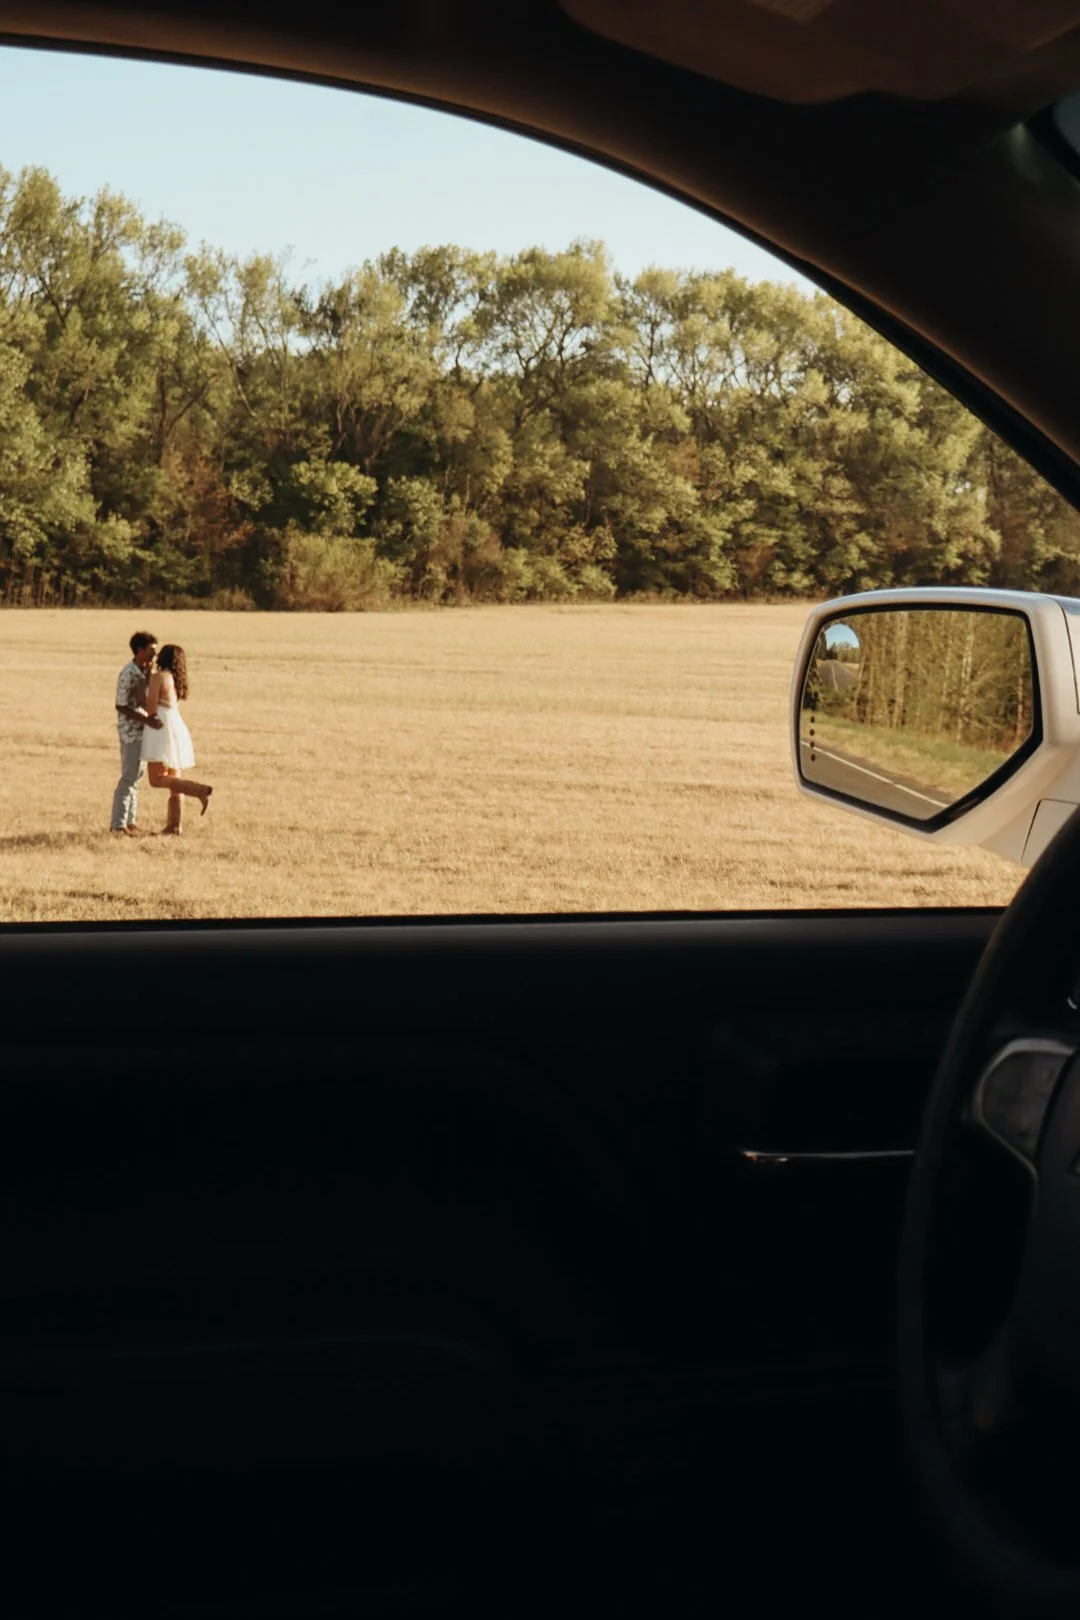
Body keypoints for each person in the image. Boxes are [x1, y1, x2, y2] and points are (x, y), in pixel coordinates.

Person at [141, 643, 213, 835]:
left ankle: (198, 790)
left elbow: (151, 708)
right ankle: (174, 825)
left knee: (157, 779)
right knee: (173, 777)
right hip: (176, 725)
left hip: (160, 727)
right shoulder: (175, 679)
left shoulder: (159, 677)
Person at [111, 630, 163, 836]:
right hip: (131, 732)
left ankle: (130, 822)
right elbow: (121, 706)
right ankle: (118, 824)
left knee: (137, 777)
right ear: (139, 650)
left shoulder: (143, 671)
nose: (154, 656)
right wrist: (146, 720)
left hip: (143, 732)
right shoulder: (128, 673)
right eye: (151, 651)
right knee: (128, 777)